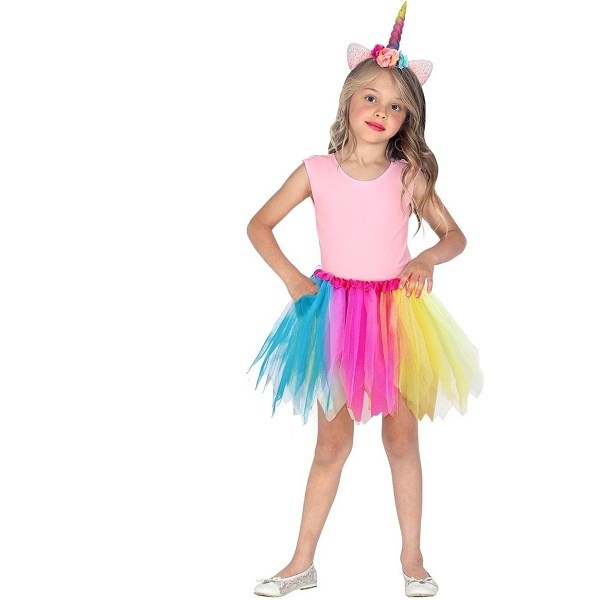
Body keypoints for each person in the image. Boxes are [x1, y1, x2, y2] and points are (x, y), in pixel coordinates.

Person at [247, 3, 483, 597]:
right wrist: (293, 280)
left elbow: (455, 236)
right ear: (348, 102)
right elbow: (259, 225)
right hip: (333, 316)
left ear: (407, 119)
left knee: (401, 439)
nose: (382, 111)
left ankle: (413, 558)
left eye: (397, 106)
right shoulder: (316, 170)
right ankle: (301, 562)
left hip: (398, 317)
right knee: (332, 444)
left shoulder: (408, 175)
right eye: (372, 98)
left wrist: (426, 259)